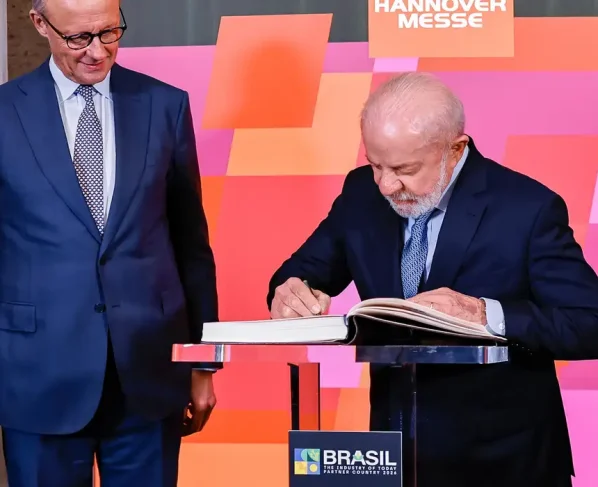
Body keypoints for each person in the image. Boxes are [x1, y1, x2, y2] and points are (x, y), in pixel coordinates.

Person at [267, 72, 598, 486]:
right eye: (375, 165)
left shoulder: (527, 208)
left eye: (403, 169)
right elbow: (302, 272)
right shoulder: (360, 193)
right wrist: (290, 292)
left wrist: (487, 315)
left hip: (506, 463)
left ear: (455, 149)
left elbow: (589, 322)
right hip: (396, 457)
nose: (386, 185)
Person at [0, 0, 220, 485]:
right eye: (79, 38)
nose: (98, 51)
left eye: (109, 32)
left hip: (149, 379)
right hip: (36, 379)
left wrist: (205, 363)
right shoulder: (4, 113)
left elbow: (192, 246)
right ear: (40, 24)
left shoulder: (165, 105)